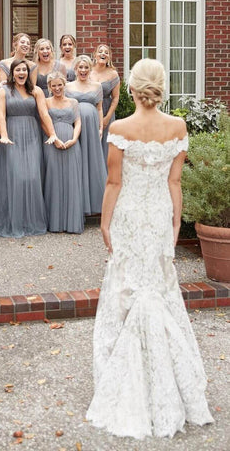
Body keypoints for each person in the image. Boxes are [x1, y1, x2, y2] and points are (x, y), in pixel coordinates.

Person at [86, 58, 214, 439]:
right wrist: (177, 219)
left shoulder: (120, 127)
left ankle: (123, 373)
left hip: (128, 215)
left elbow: (113, 183)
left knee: (125, 285)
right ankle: (170, 375)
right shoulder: (177, 126)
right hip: (158, 213)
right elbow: (175, 181)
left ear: (132, 88)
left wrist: (105, 222)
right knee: (158, 285)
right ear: (161, 86)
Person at [0, 59, 64, 238]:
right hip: (12, 135)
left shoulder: (36, 91)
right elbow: (0, 116)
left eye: (24, 70)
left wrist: (53, 134)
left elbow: (44, 114)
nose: (21, 73)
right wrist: (4, 135)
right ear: (12, 72)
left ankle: (30, 221)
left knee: (32, 176)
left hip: (32, 135)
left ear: (28, 72)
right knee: (15, 176)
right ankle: (13, 221)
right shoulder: (2, 91)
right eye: (18, 70)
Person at [65, 55, 107, 215]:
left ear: (90, 69)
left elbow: (99, 108)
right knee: (76, 161)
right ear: (75, 69)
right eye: (80, 68)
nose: (83, 70)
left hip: (91, 128)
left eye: (86, 68)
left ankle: (95, 204)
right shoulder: (68, 87)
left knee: (91, 161)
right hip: (74, 127)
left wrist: (101, 127)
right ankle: (77, 204)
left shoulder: (97, 86)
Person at [44, 72, 84, 233]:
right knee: (53, 179)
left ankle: (71, 222)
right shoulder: (46, 102)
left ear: (64, 84)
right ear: (49, 87)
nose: (57, 88)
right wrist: (53, 138)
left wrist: (74, 139)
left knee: (71, 179)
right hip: (52, 142)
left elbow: (78, 121)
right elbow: (43, 122)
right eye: (53, 85)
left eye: (59, 85)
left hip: (71, 142)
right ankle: (55, 223)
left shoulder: (73, 102)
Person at [90, 44, 120, 161]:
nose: (103, 54)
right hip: (91, 109)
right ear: (95, 55)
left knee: (106, 143)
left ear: (109, 57)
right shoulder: (88, 71)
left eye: (106, 52)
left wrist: (107, 117)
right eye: (100, 51)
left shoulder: (113, 74)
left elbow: (116, 98)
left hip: (107, 110)